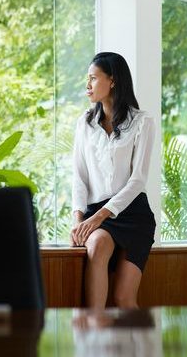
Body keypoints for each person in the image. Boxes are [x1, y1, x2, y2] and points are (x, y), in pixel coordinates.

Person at [71, 52, 156, 309]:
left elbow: (138, 180)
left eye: (93, 78)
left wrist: (99, 218)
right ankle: (94, 339)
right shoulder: (84, 124)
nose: (87, 85)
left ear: (113, 81)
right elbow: (79, 176)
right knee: (96, 244)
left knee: (123, 299)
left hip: (132, 214)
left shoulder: (142, 123)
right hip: (96, 213)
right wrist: (79, 221)